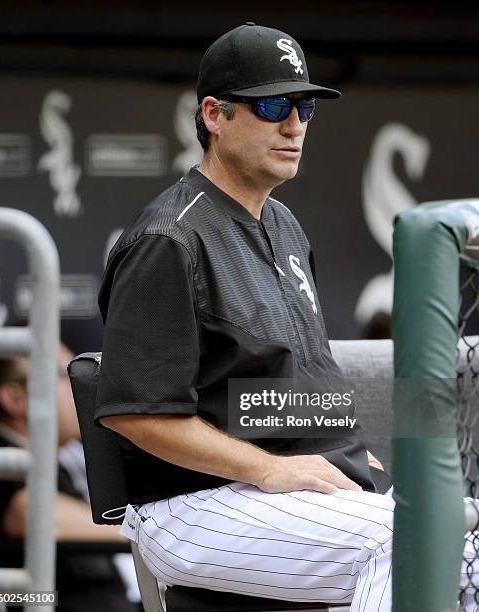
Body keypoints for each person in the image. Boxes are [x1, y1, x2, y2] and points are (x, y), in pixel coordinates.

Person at [95, 23, 475, 610]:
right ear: (214, 115)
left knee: (464, 544)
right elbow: (135, 413)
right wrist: (270, 469)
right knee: (411, 542)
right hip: (195, 501)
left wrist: (348, 447)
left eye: (303, 107)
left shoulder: (284, 224)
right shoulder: (169, 238)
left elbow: (290, 371)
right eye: (273, 105)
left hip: (282, 488)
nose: (294, 125)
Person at [0, 343, 140, 612]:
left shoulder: (58, 456)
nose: (83, 387)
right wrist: (149, 529)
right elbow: (31, 514)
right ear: (15, 399)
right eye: (67, 373)